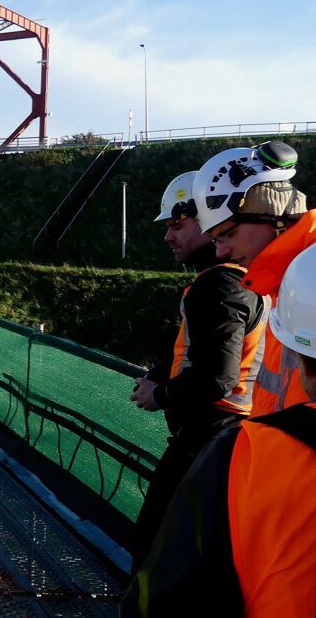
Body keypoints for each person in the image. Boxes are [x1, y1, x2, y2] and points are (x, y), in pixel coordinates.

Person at [122, 245, 316, 617]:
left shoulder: (244, 455)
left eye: (226, 232)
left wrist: (161, 393)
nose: (167, 236)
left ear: (302, 362)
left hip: (211, 428)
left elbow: (162, 590)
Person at [127, 171, 267, 571]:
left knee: (155, 549)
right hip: (236, 434)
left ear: (208, 220)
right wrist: (160, 373)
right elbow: (191, 347)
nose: (169, 236)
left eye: (177, 223)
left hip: (210, 437)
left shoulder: (217, 286)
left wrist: (160, 395)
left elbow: (216, 377)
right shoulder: (245, 281)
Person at [191, 140, 313, 416]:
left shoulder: (308, 280)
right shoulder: (289, 282)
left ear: (271, 215)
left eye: (228, 233)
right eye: (215, 240)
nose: (221, 251)